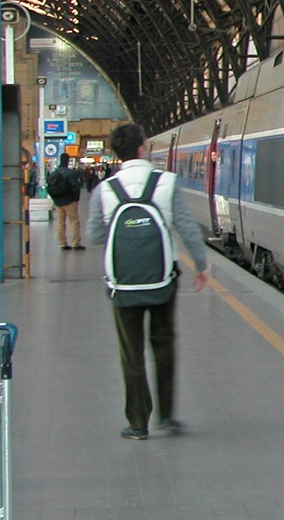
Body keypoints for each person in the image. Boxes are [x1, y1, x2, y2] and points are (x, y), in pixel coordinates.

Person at [85, 122, 209, 440]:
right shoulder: (167, 183)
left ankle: (138, 423)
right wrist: (201, 265)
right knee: (163, 344)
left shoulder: (105, 189)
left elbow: (94, 235)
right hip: (163, 279)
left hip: (122, 283)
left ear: (117, 152)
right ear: (143, 148)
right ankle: (166, 417)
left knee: (131, 352)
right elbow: (187, 228)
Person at [47, 154, 84, 249]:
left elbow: (50, 187)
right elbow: (75, 187)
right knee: (74, 221)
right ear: (68, 161)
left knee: (60, 222)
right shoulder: (70, 173)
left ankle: (62, 243)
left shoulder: (54, 173)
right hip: (70, 200)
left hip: (58, 201)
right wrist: (76, 198)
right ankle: (76, 243)